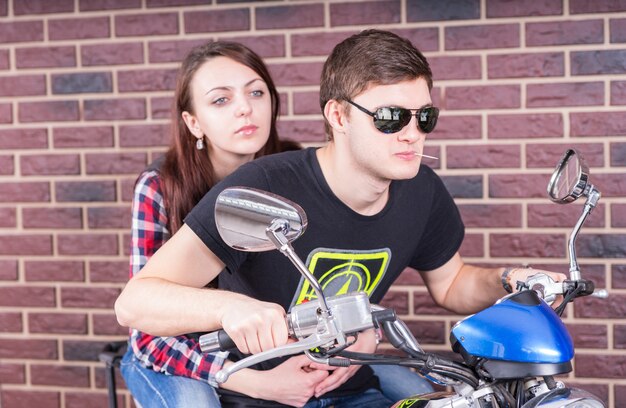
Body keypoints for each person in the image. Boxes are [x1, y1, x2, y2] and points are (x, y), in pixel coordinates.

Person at [116, 30, 565, 407]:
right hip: (253, 384)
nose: (412, 133)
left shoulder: (422, 188)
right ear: (338, 115)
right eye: (390, 118)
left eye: (424, 116)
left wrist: (512, 280)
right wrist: (233, 311)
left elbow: (451, 283)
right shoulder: (257, 187)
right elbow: (136, 305)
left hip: (347, 377)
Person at [119, 40, 301, 407]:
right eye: (221, 100)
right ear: (193, 122)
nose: (245, 109)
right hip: (177, 354)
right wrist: (254, 382)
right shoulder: (160, 186)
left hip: (265, 351)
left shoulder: (294, 168)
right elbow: (146, 332)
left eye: (256, 93)